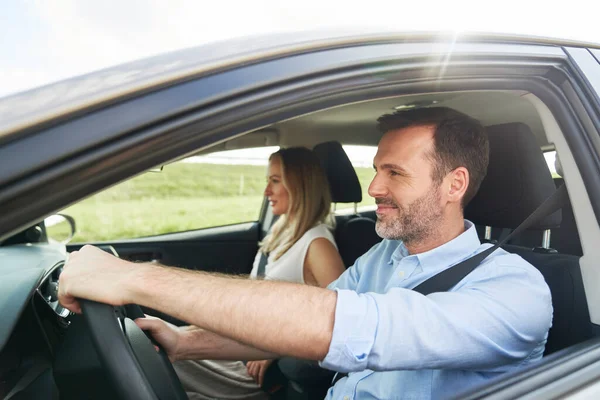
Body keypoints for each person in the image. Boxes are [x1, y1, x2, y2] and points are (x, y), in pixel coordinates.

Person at [58, 107, 552, 399]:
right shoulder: (384, 259)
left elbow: (336, 324)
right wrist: (185, 342)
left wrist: (135, 279)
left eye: (395, 173)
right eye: (376, 167)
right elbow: (287, 332)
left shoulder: (514, 290)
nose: (373, 185)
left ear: (454, 184)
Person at [172, 147, 346, 399]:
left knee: (156, 354)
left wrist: (276, 350)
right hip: (240, 345)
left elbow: (342, 321)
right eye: (268, 181)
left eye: (275, 181)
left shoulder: (318, 244)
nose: (267, 192)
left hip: (255, 366)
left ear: (300, 185)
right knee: (155, 335)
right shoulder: (282, 229)